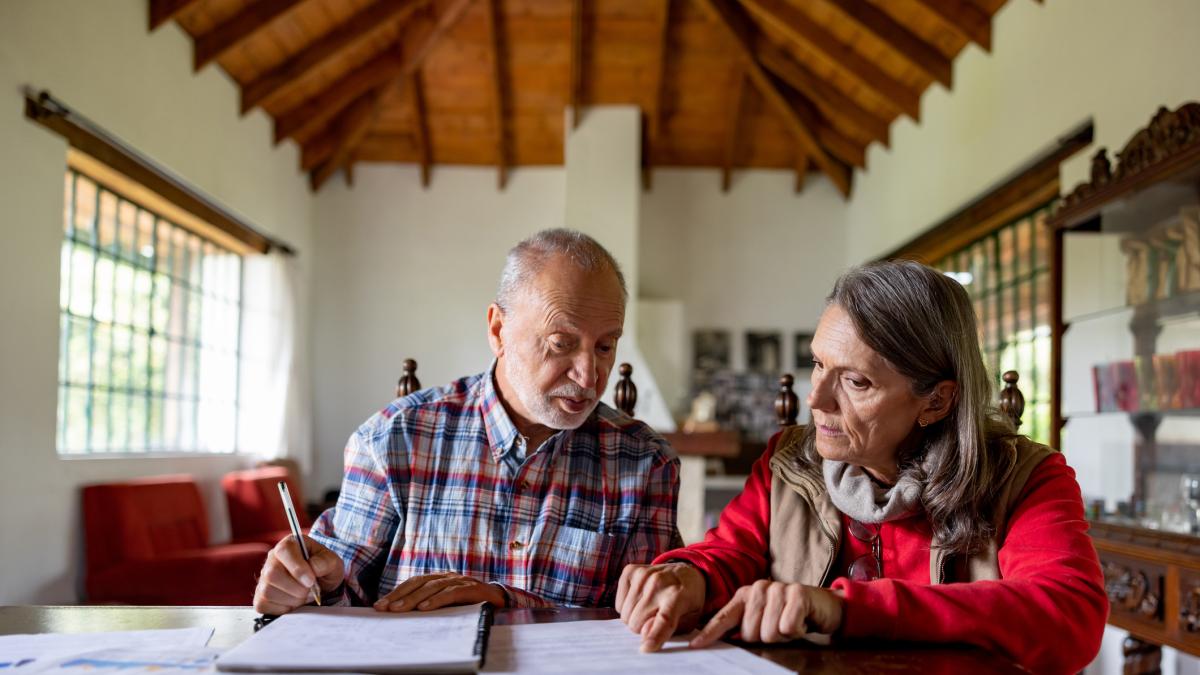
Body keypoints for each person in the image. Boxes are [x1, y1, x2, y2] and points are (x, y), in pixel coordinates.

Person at [616, 260, 1107, 674]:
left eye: (856, 382)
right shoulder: (787, 463)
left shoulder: (1025, 479)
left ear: (936, 401)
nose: (816, 398)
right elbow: (728, 554)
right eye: (817, 365)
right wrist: (686, 577)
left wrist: (846, 608)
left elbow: (1069, 616)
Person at [254, 229, 681, 614]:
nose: (589, 376)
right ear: (498, 330)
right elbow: (337, 599)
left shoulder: (645, 463)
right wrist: (304, 588)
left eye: (605, 347)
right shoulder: (394, 440)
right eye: (561, 344)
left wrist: (500, 600)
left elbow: (644, 622)